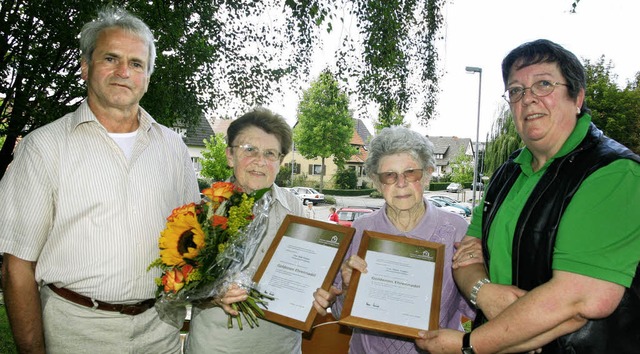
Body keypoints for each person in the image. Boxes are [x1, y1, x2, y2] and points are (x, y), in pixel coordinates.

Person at [417, 39, 640, 354]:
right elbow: (465, 257)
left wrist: (469, 345)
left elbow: (579, 299)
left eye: (544, 85)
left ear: (577, 97)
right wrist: (486, 294)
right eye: (516, 91)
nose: (528, 99)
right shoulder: (509, 171)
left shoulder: (612, 173)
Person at [0, 7, 200, 353]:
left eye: (136, 63)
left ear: (147, 77)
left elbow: (193, 241)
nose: (124, 71)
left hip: (161, 330)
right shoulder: (43, 147)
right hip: (76, 330)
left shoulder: (173, 147)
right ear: (85, 67)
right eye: (111, 58)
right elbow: (16, 266)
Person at [317, 126, 476, 354]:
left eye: (411, 173)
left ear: (428, 174)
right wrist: (350, 289)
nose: (401, 183)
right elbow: (342, 314)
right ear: (377, 181)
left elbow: (474, 308)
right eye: (389, 176)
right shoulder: (361, 229)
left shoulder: (456, 230)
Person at [185, 108, 319, 353]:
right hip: (217, 347)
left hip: (282, 347)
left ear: (280, 161)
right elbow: (182, 282)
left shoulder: (294, 208)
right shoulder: (205, 210)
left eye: (270, 153)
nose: (260, 161)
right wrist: (214, 293)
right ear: (229, 156)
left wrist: (322, 288)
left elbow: (311, 271)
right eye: (250, 150)